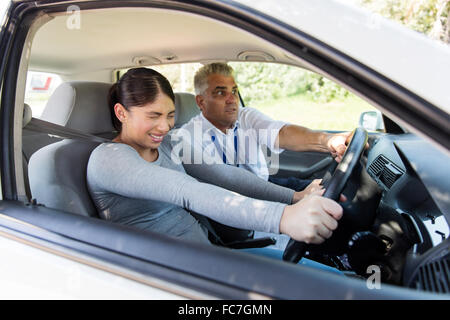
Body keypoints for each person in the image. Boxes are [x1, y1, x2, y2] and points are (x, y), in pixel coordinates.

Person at [86, 67, 344, 273]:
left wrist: (294, 197)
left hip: (210, 255)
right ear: (121, 113)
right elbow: (187, 191)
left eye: (170, 115)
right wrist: (283, 217)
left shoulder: (169, 143)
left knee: (332, 279)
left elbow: (223, 175)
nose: (164, 126)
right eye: (153, 116)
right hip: (167, 274)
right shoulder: (108, 159)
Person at [175, 63, 351, 192]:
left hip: (266, 184)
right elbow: (223, 186)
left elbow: (282, 133)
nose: (232, 99)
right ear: (201, 101)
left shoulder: (246, 116)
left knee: (331, 191)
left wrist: (328, 139)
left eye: (234, 91)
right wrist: (295, 198)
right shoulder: (189, 137)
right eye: (221, 93)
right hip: (234, 200)